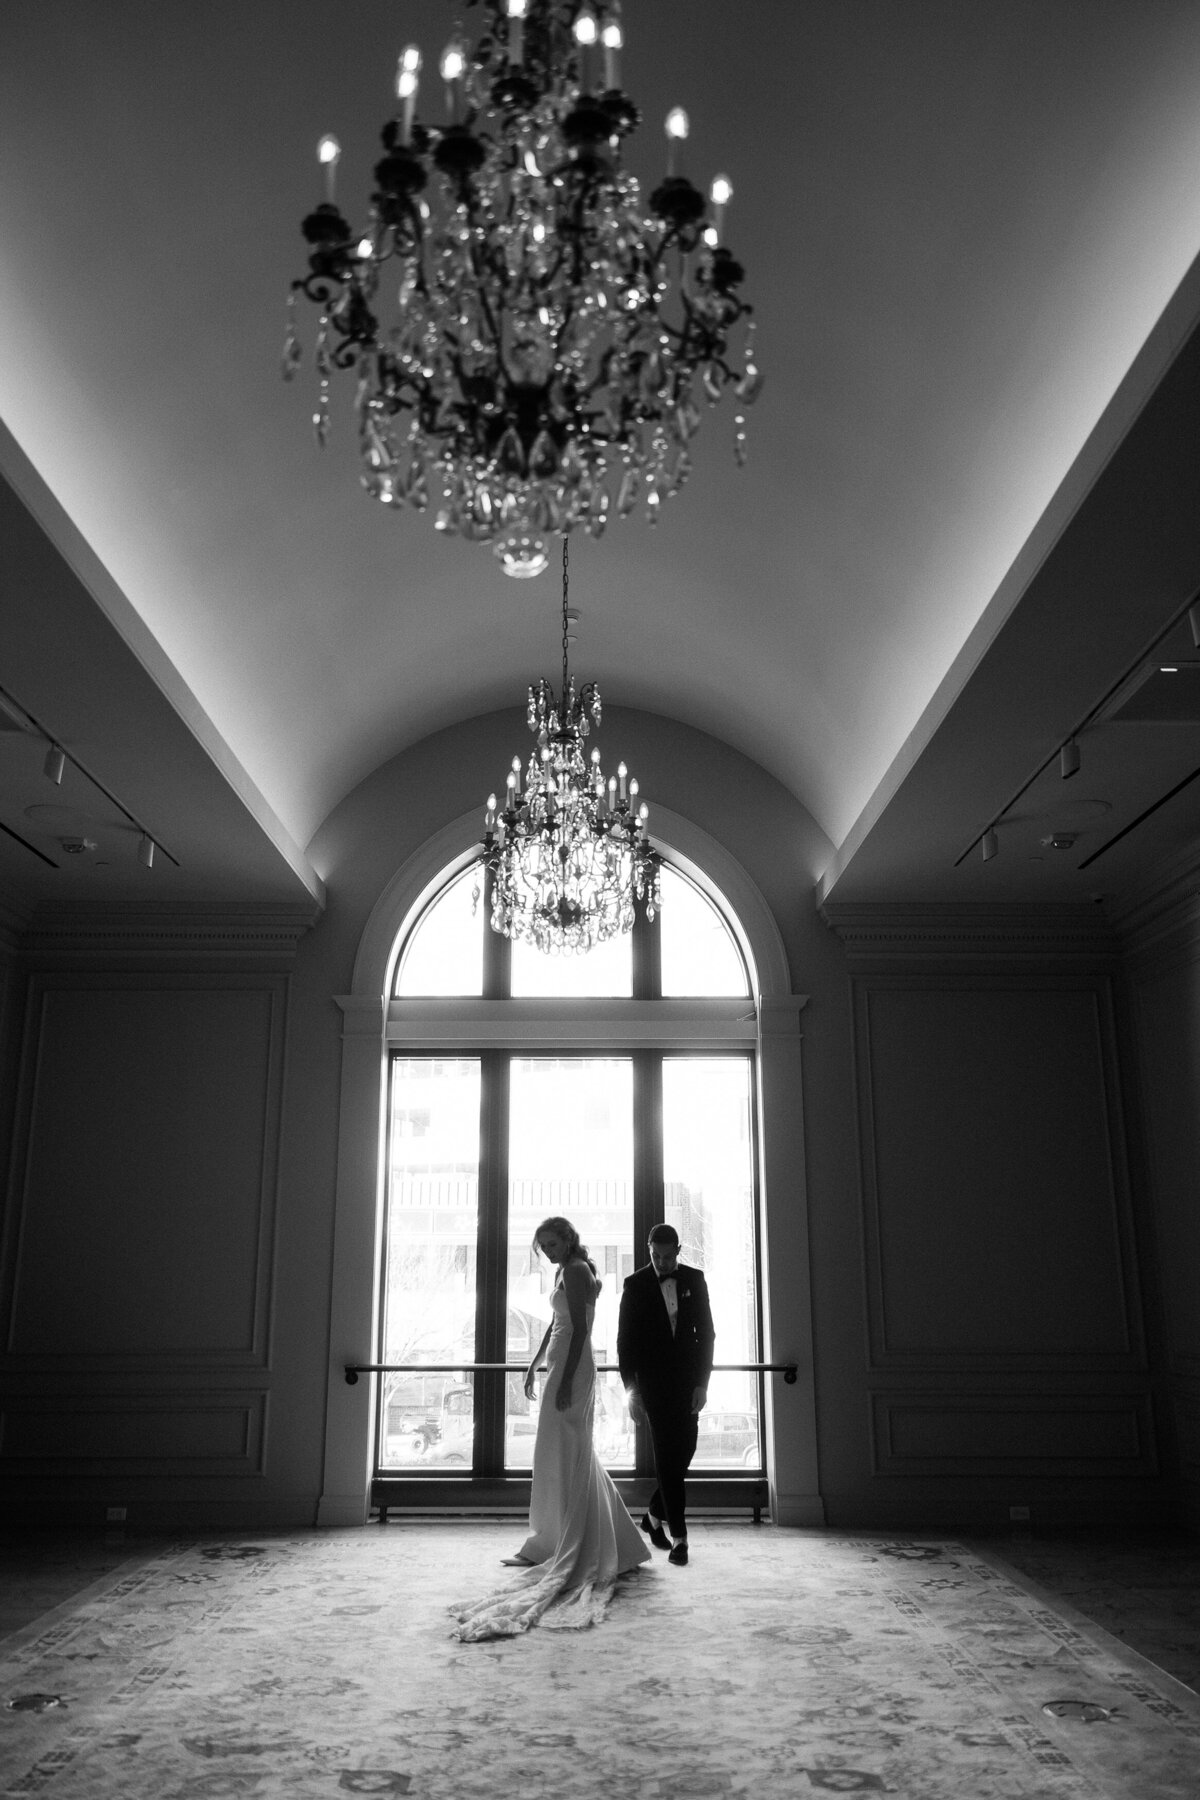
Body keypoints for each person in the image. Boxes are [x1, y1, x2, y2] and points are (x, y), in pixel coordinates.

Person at [449, 1216, 649, 1640]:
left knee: (570, 1453)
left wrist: (564, 1380)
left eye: (553, 1243)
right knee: (561, 1454)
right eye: (544, 1246)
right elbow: (555, 1325)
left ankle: (574, 1543)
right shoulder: (565, 1269)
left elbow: (581, 1332)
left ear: (568, 1238)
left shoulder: (577, 1270)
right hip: (558, 1364)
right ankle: (570, 1538)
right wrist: (534, 1363)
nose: (549, 1251)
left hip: (573, 1370)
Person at [617, 1222, 715, 1566]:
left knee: (684, 1452)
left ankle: (653, 1515)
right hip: (653, 1387)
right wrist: (631, 1389)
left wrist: (703, 1383)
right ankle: (680, 1539)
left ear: (678, 1251)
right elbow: (625, 1342)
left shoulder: (694, 1280)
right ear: (649, 1250)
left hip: (688, 1384)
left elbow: (707, 1334)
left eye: (667, 1256)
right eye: (655, 1256)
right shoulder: (635, 1285)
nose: (660, 1263)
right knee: (666, 1460)